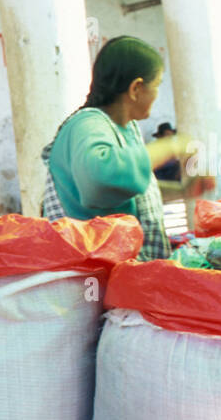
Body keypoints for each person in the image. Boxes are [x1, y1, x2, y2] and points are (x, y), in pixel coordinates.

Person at [42, 36, 185, 261]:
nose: (157, 94)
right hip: (96, 271)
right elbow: (100, 179)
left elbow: (127, 190)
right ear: (136, 88)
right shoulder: (87, 124)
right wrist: (169, 146)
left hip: (124, 267)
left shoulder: (126, 127)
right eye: (157, 85)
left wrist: (183, 191)